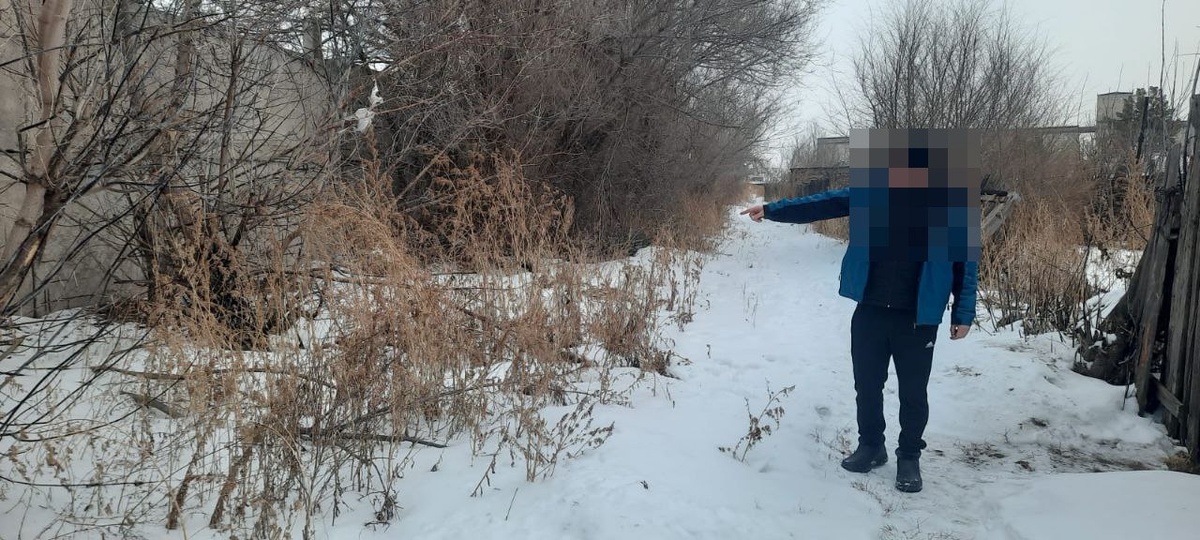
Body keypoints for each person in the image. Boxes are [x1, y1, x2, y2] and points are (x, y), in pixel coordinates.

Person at [740, 185, 977, 493]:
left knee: (914, 393)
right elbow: (823, 203)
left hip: (918, 319)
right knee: (866, 385)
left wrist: (963, 313)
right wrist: (773, 210)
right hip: (871, 311)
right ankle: (871, 446)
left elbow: (967, 264)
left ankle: (909, 456)